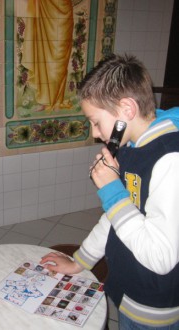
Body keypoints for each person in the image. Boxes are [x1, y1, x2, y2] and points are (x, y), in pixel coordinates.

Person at [40, 54, 179, 329]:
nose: (94, 133)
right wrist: (79, 262)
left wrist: (113, 191)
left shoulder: (170, 160)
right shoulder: (130, 148)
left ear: (126, 109)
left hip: (152, 310)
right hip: (128, 292)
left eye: (95, 121)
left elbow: (161, 258)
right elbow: (115, 218)